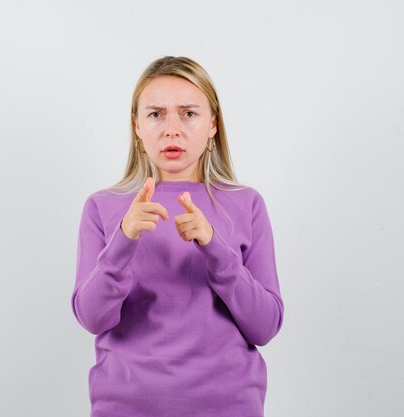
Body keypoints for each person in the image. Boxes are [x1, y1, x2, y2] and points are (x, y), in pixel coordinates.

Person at [70, 56, 285, 417]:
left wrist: (215, 247)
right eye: (155, 114)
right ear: (137, 126)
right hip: (125, 407)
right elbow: (92, 318)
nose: (172, 129)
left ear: (213, 124)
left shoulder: (246, 204)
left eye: (188, 113)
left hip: (229, 407)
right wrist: (123, 239)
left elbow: (265, 326)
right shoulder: (103, 207)